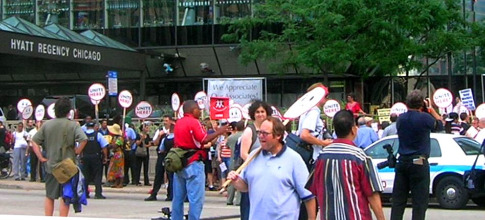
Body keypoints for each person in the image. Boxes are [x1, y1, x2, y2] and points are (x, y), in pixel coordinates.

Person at [227, 116, 316, 219]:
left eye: (265, 133)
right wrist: (236, 180)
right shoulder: (253, 156)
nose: (260, 136)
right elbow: (245, 186)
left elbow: (308, 196)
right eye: (259, 132)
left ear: (278, 135)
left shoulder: (293, 159)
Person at [309, 110, 385, 220]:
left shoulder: (321, 157)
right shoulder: (360, 157)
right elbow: (372, 193)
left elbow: (313, 189)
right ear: (353, 130)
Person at [171, 100, 230, 220]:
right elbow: (203, 139)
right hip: (194, 162)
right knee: (196, 199)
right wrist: (219, 131)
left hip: (179, 162)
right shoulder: (194, 122)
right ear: (193, 110)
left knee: (178, 198)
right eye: (198, 109)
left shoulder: (178, 123)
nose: (200, 111)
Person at [31, 97, 88, 216]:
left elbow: (34, 141)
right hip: (67, 167)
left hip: (51, 165)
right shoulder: (73, 125)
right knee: (65, 197)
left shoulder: (47, 125)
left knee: (49, 196)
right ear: (69, 111)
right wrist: (76, 151)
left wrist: (41, 158)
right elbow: (84, 139)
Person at [391, 90, 443, 220]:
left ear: (407, 103)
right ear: (422, 104)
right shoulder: (425, 118)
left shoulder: (400, 119)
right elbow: (440, 124)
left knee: (398, 200)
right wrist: (430, 110)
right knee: (419, 202)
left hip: (402, 161)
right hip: (419, 161)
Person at [238, 100, 273, 220]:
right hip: (252, 174)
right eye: (257, 112)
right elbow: (244, 154)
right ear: (253, 113)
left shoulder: (271, 129)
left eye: (263, 111)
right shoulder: (250, 131)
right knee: (248, 206)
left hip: (267, 173)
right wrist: (258, 164)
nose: (260, 114)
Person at [296, 83, 333, 166]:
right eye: (325, 95)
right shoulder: (313, 111)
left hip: (306, 155)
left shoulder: (307, 109)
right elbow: (304, 135)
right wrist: (323, 143)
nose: (326, 97)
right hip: (312, 157)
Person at [145, 115, 174, 201]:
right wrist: (159, 136)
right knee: (158, 174)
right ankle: (154, 194)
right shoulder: (160, 130)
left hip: (170, 155)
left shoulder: (173, 132)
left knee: (170, 175)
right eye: (164, 120)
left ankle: (170, 194)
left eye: (166, 120)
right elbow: (155, 143)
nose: (165, 122)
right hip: (161, 155)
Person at [81, 121, 109, 199]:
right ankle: (98, 193)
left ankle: (85, 193)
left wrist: (81, 157)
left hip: (86, 157)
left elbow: (80, 147)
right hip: (95, 157)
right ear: (94, 126)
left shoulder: (83, 135)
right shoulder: (98, 135)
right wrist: (105, 157)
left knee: (86, 176)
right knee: (97, 175)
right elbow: (104, 146)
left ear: (86, 127)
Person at [226, 121, 245, 206]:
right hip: (242, 160)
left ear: (236, 128)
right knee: (241, 179)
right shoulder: (245, 136)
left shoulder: (231, 137)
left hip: (232, 159)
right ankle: (238, 200)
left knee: (231, 179)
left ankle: (229, 199)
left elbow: (227, 146)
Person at [107, 123, 125, 188]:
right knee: (115, 169)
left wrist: (110, 145)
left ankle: (121, 183)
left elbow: (115, 146)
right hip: (115, 154)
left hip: (119, 153)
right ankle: (116, 182)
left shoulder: (120, 138)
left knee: (120, 168)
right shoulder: (114, 137)